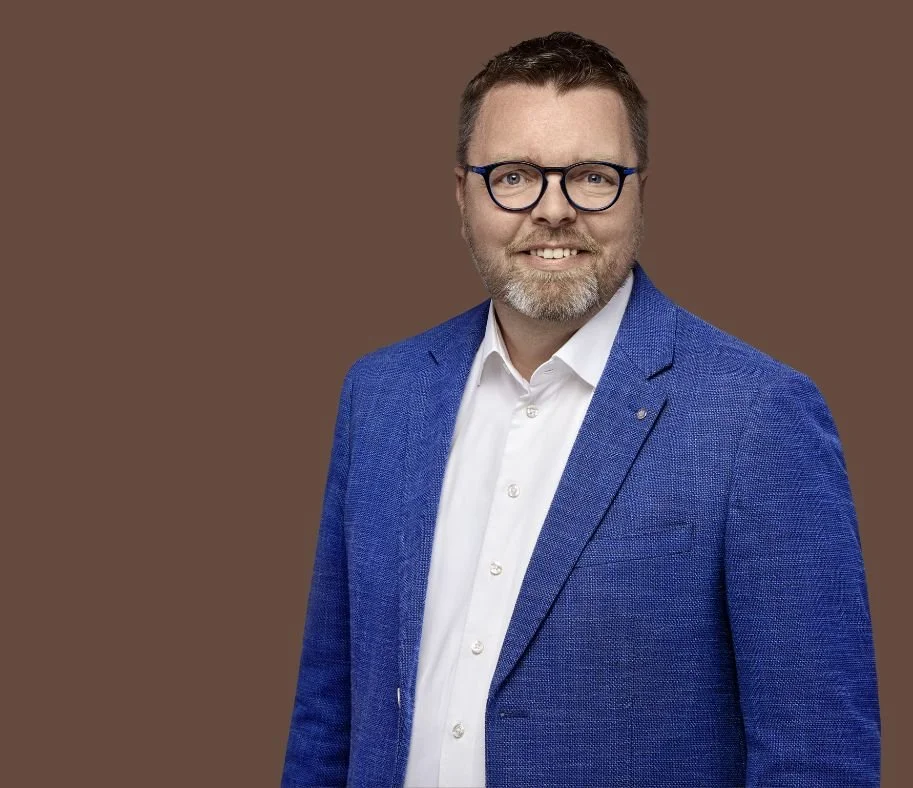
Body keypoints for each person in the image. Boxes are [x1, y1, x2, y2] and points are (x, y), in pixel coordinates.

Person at [280, 31, 880, 788]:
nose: (554, 210)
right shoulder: (381, 395)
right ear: (461, 193)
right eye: (515, 176)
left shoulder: (759, 418)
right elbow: (327, 716)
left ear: (638, 191)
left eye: (592, 176)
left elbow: (818, 761)